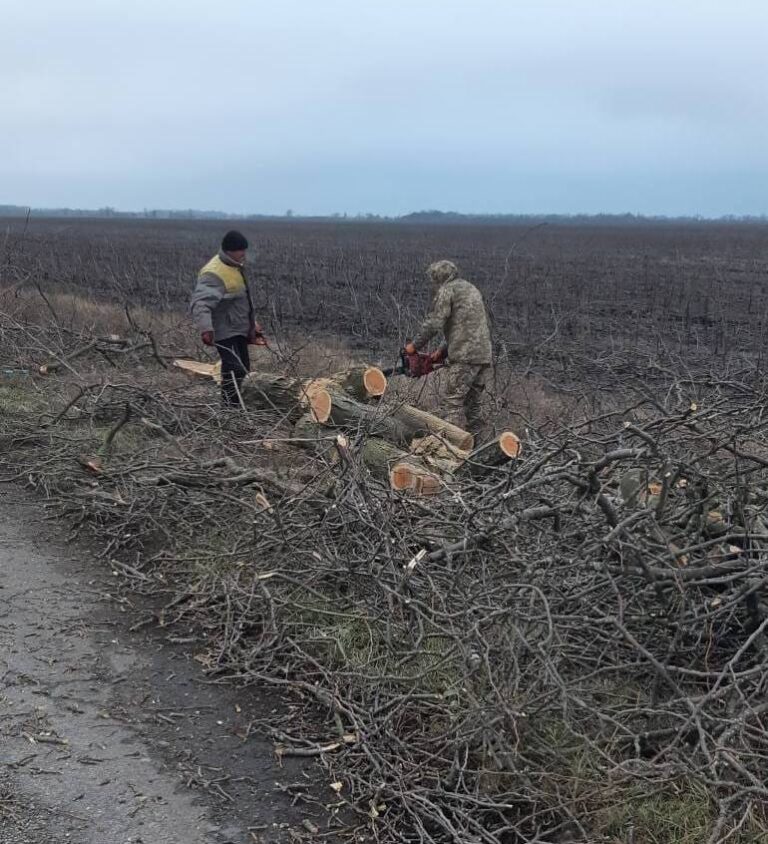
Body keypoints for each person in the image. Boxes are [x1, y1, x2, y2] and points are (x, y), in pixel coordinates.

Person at [406, 260, 492, 434]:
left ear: (438, 278)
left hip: (465, 356)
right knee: (473, 406)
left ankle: (446, 445)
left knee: (451, 403)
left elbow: (434, 323)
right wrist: (442, 351)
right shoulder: (471, 289)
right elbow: (465, 325)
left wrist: (413, 346)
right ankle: (480, 446)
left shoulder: (447, 290)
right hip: (483, 354)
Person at [190, 230, 265, 407]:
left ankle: (237, 405)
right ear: (229, 250)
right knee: (233, 370)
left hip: (238, 329)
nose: (244, 254)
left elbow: (239, 302)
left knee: (243, 369)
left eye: (244, 250)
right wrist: (206, 329)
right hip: (224, 330)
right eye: (240, 250)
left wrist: (251, 325)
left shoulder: (235, 267)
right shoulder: (213, 273)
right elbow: (200, 303)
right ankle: (230, 410)